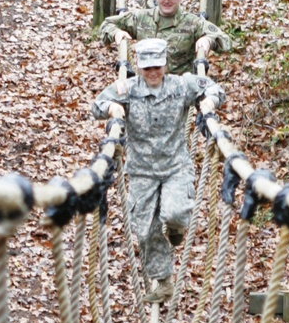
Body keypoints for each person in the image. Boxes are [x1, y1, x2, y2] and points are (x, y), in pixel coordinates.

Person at [92, 38, 224, 304]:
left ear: (165, 65)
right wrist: (111, 107)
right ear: (139, 67)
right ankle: (163, 281)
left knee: (173, 212)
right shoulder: (127, 89)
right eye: (147, 68)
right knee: (146, 230)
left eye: (157, 67)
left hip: (175, 166)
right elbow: (97, 104)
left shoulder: (181, 85)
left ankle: (175, 227)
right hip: (142, 172)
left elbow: (213, 88)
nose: (152, 73)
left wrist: (209, 102)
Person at [97, 0, 231, 75]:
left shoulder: (192, 23)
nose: (166, 1)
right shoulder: (141, 18)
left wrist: (209, 40)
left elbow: (225, 41)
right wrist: (116, 33)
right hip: (146, 87)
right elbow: (106, 25)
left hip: (178, 91)